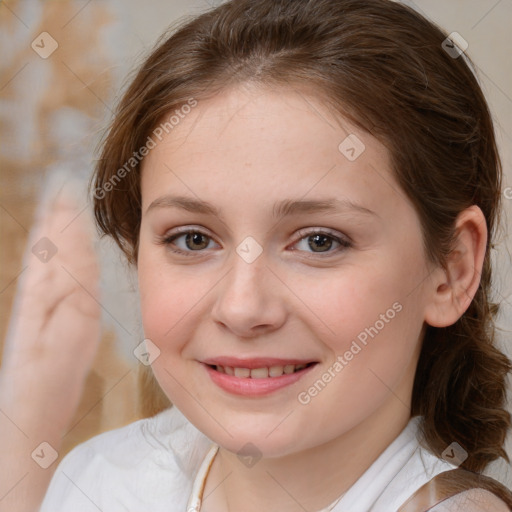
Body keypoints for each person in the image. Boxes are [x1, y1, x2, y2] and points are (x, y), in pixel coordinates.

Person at [2, 0, 512, 510]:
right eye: (193, 239)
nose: (242, 309)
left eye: (319, 241)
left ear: (451, 268)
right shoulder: (99, 481)